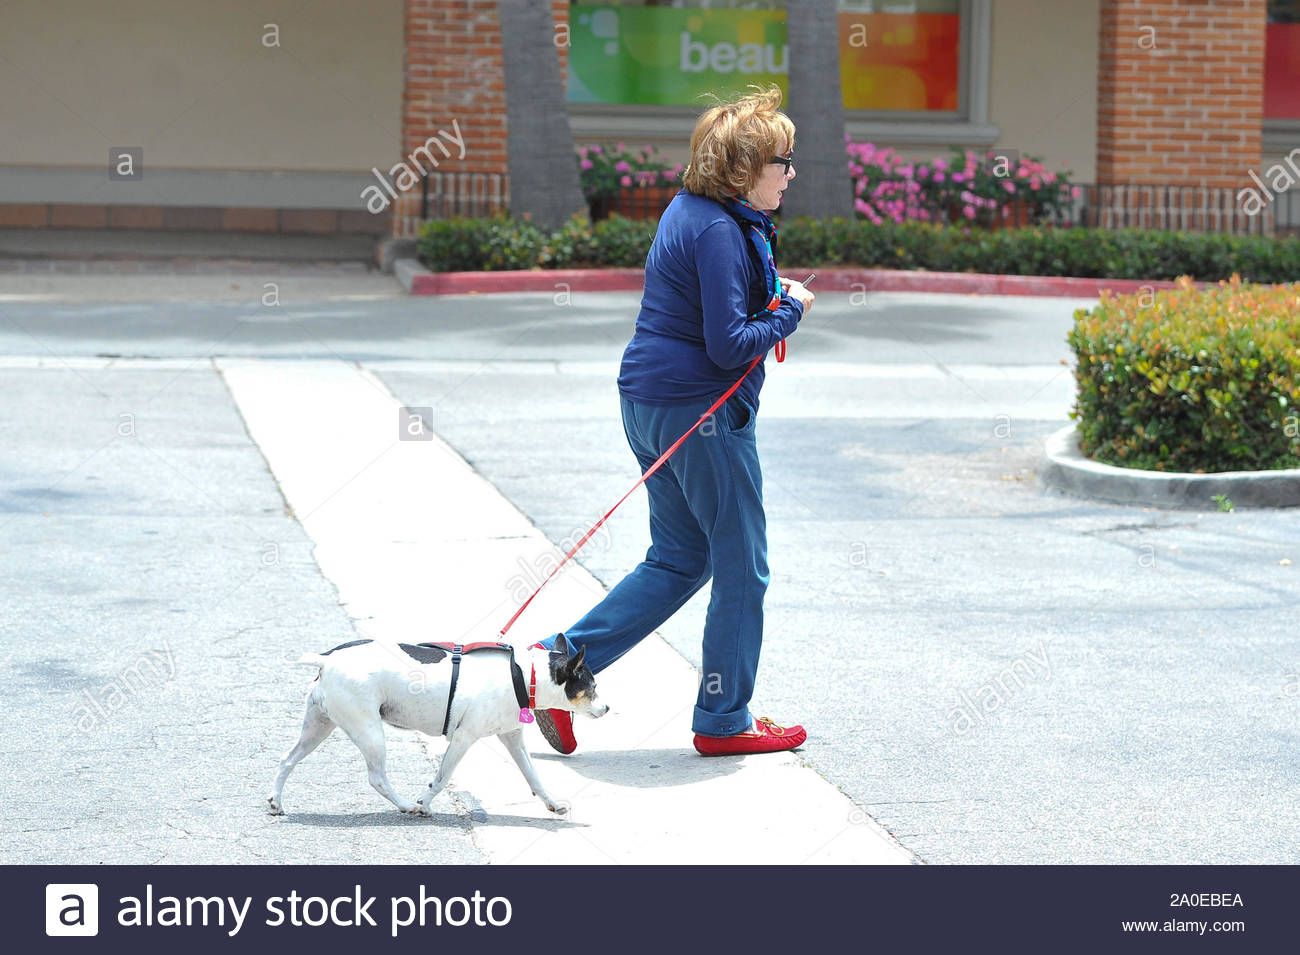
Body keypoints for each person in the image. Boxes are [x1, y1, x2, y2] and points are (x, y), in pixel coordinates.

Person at [532, 85, 815, 757]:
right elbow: (727, 343)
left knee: (682, 558)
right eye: (783, 160)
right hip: (700, 415)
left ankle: (560, 664)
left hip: (649, 403)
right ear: (745, 171)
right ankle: (725, 719)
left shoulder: (692, 211)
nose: (792, 173)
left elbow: (708, 311)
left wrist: (769, 299)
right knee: (743, 566)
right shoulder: (720, 228)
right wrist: (792, 307)